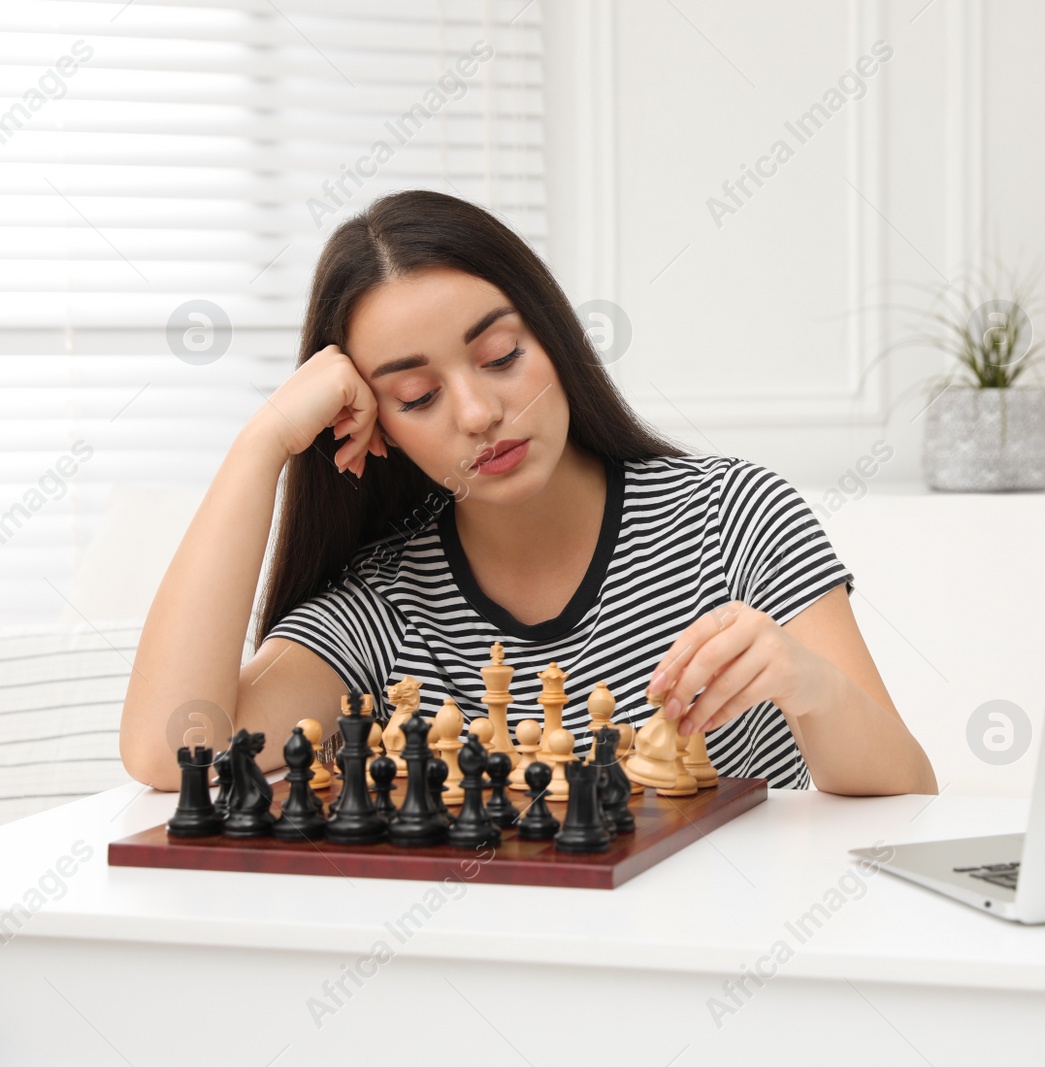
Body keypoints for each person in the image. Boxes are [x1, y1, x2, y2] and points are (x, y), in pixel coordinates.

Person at [119, 189, 936, 797]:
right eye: (416, 397)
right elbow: (168, 750)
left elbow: (908, 792)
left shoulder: (730, 518)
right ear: (376, 427)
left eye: (502, 355)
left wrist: (808, 683)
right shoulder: (386, 607)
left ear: (554, 336)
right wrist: (263, 441)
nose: (479, 413)